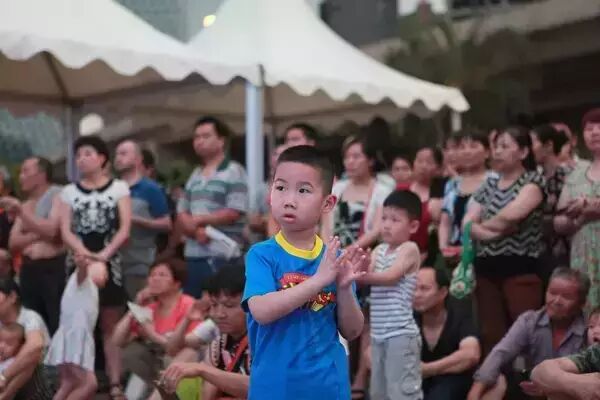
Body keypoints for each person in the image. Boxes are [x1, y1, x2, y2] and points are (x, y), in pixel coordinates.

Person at [243, 145, 367, 399]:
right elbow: (262, 311)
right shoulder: (262, 255)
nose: (289, 200)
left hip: (329, 388)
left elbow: (353, 331)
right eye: (280, 187)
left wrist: (344, 289)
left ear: (327, 203)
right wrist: (319, 280)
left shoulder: (333, 258)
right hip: (275, 388)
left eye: (303, 190)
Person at [58, 135, 131, 400]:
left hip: (111, 263)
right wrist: (87, 258)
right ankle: (81, 382)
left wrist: (103, 257)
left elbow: (124, 229)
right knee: (79, 324)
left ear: (102, 158)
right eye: (78, 155)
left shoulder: (119, 188)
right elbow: (66, 231)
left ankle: (115, 383)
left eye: (88, 153)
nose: (82, 159)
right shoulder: (69, 192)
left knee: (110, 325)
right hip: (78, 263)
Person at [464, 126, 546, 355]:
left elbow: (511, 216)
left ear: (523, 152)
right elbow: (467, 222)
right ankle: (496, 377)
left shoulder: (533, 181)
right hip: (485, 268)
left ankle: (531, 377)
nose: (497, 151)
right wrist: (493, 233)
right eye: (496, 146)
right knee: (491, 334)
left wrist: (482, 226)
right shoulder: (489, 184)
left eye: (505, 146)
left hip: (520, 268)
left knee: (525, 333)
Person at [466, 268, 589, 400]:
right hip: (533, 390)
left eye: (566, 297)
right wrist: (475, 392)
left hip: (571, 393)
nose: (556, 301)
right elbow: (500, 353)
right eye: (552, 293)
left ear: (581, 303)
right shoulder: (529, 321)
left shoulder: (590, 330)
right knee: (497, 381)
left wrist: (551, 389)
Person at [356, 190, 422, 400]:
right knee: (378, 392)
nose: (386, 225)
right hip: (378, 334)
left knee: (402, 392)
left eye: (395, 220)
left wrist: (362, 276)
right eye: (384, 218)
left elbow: (390, 277)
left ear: (413, 226)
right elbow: (366, 275)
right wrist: (361, 267)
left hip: (401, 334)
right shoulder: (379, 250)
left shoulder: (409, 249)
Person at [177, 116, 248, 299]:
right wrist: (194, 230)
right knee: (195, 304)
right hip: (194, 254)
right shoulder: (195, 174)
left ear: (221, 140)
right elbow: (182, 210)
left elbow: (234, 211)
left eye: (206, 136)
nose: (199, 141)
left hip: (222, 255)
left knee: (220, 304)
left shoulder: (234, 171)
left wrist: (199, 221)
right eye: (196, 137)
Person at [160, 264, 249, 400]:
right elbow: (172, 349)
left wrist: (202, 370)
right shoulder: (219, 343)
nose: (219, 314)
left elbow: (261, 387)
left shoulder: (267, 341)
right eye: (214, 305)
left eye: (229, 305)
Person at [112, 258, 199, 397]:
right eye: (152, 275)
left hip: (182, 361)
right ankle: (155, 387)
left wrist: (152, 334)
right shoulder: (150, 308)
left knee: (175, 357)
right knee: (131, 352)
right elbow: (117, 340)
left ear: (176, 283)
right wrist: (136, 305)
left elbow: (177, 348)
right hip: (156, 363)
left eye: (162, 275)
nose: (155, 279)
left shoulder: (188, 305)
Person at [4, 157, 65, 335]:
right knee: (34, 325)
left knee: (56, 324)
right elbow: (13, 243)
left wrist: (25, 217)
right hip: (29, 270)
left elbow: (54, 232)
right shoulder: (26, 204)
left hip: (54, 269)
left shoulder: (58, 195)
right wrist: (40, 231)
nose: (21, 177)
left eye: (25, 171)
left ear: (41, 174)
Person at [554, 108, 600, 311]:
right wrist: (579, 218)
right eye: (589, 129)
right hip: (583, 257)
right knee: (585, 312)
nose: (595, 132)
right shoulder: (575, 175)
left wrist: (590, 205)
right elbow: (559, 222)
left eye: (599, 127)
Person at [115, 140, 172, 300]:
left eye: (124, 153)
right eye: (117, 154)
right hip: (113, 264)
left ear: (138, 159)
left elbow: (167, 224)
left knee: (142, 307)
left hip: (140, 263)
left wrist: (136, 220)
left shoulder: (150, 188)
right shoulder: (112, 188)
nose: (118, 158)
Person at [413, 267, 481, 400]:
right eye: (413, 289)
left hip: (452, 379)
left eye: (424, 289)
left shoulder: (459, 315)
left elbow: (471, 354)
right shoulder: (406, 317)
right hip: (414, 379)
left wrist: (428, 369)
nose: (416, 294)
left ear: (443, 292)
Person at [45, 260, 108, 400]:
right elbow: (82, 273)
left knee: (69, 382)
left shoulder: (89, 288)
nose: (106, 276)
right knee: (89, 384)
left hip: (70, 339)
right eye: (104, 272)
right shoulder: (82, 281)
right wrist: (82, 265)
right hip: (74, 341)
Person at [322, 134, 392, 249]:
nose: (350, 161)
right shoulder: (337, 189)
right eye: (346, 157)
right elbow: (325, 225)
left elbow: (376, 230)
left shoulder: (382, 191)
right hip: (333, 253)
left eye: (356, 157)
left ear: (370, 160)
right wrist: (328, 250)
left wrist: (348, 252)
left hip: (366, 253)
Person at [438, 130, 490, 256]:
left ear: (487, 152)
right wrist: (444, 248)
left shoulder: (495, 181)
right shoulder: (452, 184)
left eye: (473, 146)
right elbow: (445, 223)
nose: (467, 151)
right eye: (462, 147)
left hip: (485, 252)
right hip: (454, 252)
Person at [530, 308, 600, 399]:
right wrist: (578, 384)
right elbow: (540, 371)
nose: (596, 331)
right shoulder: (594, 354)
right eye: (591, 326)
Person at [530, 124, 572, 276]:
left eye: (532, 143)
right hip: (538, 250)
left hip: (565, 248)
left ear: (548, 145)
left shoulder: (569, 175)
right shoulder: (533, 178)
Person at [0, 278, 51, 400]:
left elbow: (35, 346)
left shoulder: (30, 317)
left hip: (39, 377)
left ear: (12, 297)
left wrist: (4, 376)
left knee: (31, 357)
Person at [398, 146, 445, 256]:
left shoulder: (441, 196)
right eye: (419, 161)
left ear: (438, 168)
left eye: (429, 162)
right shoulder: (400, 190)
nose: (423, 166)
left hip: (428, 254)